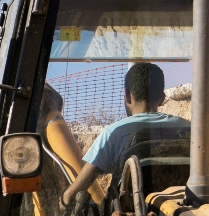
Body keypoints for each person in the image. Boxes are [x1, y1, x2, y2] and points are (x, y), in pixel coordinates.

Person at [60, 62, 191, 207]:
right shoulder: (188, 129)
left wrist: (64, 198)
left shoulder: (115, 133)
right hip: (183, 212)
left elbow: (80, 186)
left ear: (128, 95)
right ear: (161, 98)